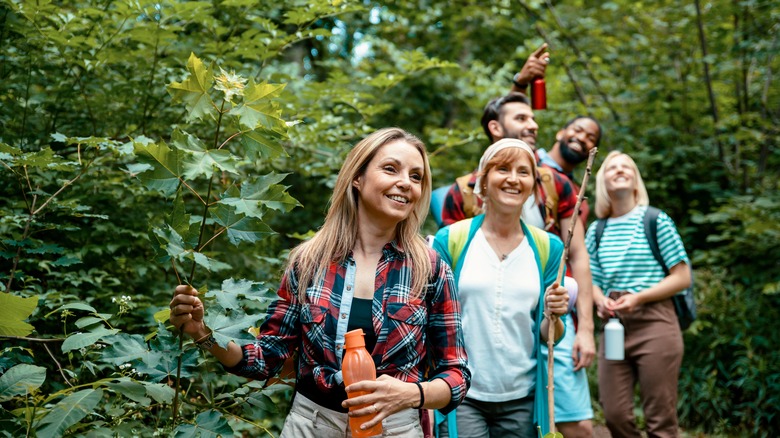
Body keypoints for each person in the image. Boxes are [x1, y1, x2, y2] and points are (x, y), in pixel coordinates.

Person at [169, 127, 471, 438]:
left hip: (395, 427)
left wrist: (411, 395)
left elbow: (457, 375)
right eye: (391, 168)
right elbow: (267, 358)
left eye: (416, 176)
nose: (405, 183)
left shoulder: (430, 268)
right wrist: (203, 333)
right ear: (358, 177)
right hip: (312, 425)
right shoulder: (309, 261)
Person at [439, 90, 595, 437]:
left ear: (533, 188)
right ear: (483, 181)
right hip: (463, 392)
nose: (513, 178)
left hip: (522, 397)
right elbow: (435, 318)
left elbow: (548, 334)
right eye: (503, 170)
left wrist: (557, 316)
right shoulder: (451, 241)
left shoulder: (548, 248)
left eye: (523, 172)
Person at [585, 151, 691, 437]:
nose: (619, 170)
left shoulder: (656, 220)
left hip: (656, 321)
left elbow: (682, 277)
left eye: (626, 166)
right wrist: (599, 300)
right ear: (602, 182)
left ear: (635, 181)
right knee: (614, 414)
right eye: (611, 168)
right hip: (614, 325)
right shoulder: (596, 230)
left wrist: (639, 297)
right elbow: (590, 279)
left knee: (660, 419)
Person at [536, 115, 603, 224]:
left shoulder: (578, 200)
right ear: (560, 133)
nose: (581, 138)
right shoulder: (529, 163)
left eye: (590, 138)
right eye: (577, 130)